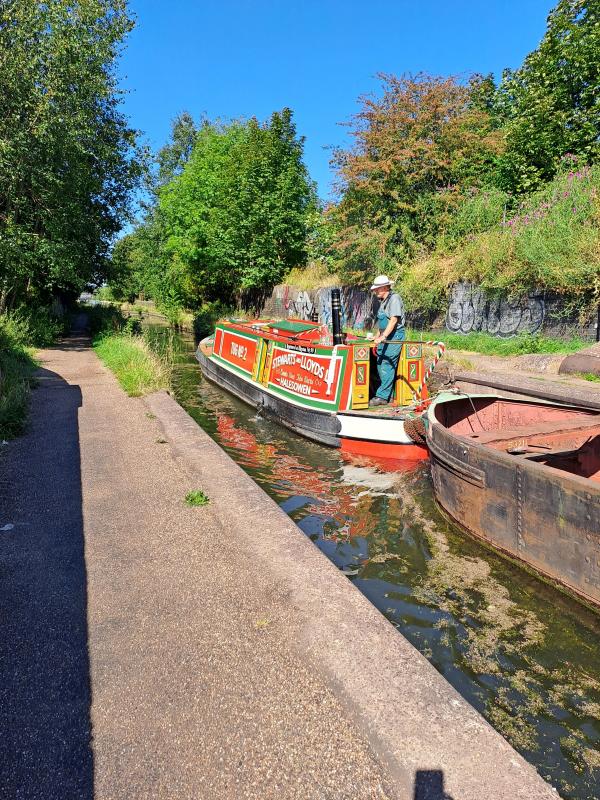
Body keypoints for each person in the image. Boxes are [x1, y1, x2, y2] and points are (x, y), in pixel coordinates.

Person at [369, 275, 406, 406]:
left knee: (387, 364)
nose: (375, 291)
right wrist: (377, 336)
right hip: (386, 335)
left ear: (385, 287)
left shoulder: (394, 299)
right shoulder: (383, 301)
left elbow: (393, 320)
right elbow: (382, 322)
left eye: (377, 289)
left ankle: (382, 396)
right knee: (379, 362)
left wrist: (383, 337)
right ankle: (388, 394)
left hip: (395, 335)